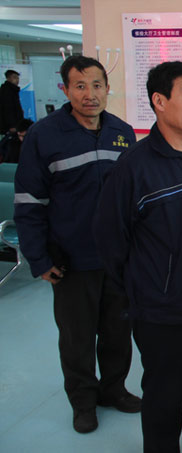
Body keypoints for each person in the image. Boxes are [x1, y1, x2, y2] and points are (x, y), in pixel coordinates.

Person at [93, 61, 182, 453]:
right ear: (159, 102)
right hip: (162, 309)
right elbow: (110, 240)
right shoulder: (134, 168)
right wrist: (146, 288)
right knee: (164, 394)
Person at [13, 56, 139, 434]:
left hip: (116, 259)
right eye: (80, 86)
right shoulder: (44, 135)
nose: (90, 94)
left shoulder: (122, 132)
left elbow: (132, 196)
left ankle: (113, 390)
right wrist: (38, 258)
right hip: (71, 259)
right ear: (65, 90)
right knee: (77, 338)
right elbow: (29, 202)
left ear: (107, 88)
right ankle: (83, 402)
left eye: (97, 85)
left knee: (118, 333)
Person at [0, 69, 24, 135]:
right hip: (11, 126)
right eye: (14, 77)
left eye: (18, 78)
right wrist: (12, 125)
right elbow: (8, 109)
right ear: (8, 78)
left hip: (16, 124)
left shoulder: (13, 90)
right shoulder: (7, 91)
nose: (17, 80)